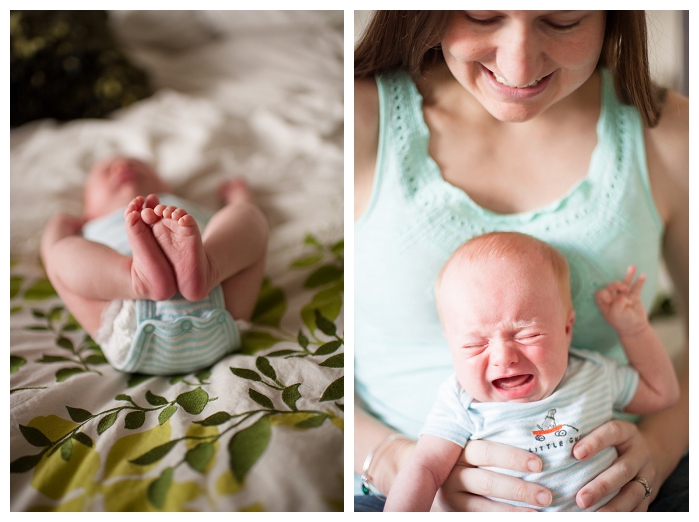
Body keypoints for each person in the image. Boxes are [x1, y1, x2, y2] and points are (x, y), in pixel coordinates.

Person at [354, 10, 688, 512]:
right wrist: (394, 462)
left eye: (564, 19)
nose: (519, 62)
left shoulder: (672, 134)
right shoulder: (358, 117)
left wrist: (658, 452)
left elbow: (666, 389)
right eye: (483, 15)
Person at [384, 232, 679, 511]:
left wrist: (635, 330)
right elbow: (424, 469)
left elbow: (661, 394)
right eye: (475, 344)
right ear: (450, 344)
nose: (503, 357)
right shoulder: (460, 402)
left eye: (528, 335)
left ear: (566, 328)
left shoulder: (593, 374)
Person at [40, 156, 268, 375]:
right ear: (87, 209)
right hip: (134, 311)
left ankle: (209, 267)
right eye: (106, 170)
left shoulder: (186, 208)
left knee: (246, 216)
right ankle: (135, 278)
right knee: (62, 254)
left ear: (166, 187)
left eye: (138, 165)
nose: (122, 166)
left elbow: (240, 233)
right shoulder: (91, 226)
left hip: (213, 294)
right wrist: (61, 226)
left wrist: (239, 200)